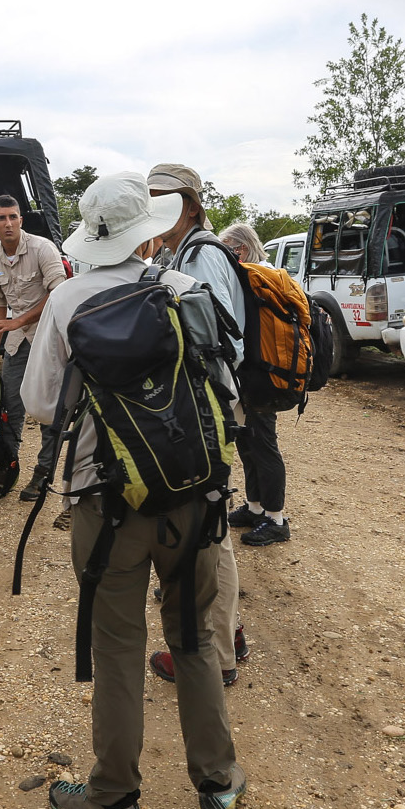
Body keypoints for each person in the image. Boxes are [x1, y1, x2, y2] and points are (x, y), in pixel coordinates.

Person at [22, 171, 245, 809]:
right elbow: (227, 397)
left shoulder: (67, 301)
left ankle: (114, 798)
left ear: (93, 234)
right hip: (191, 500)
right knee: (196, 640)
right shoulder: (186, 291)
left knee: (119, 648)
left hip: (106, 503)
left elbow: (38, 402)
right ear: (147, 232)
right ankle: (217, 786)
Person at [145, 166, 253, 687]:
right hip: (200, 404)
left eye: (162, 199)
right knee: (209, 526)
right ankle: (226, 634)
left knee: (210, 532)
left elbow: (223, 340)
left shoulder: (203, 254)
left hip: (206, 406)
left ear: (189, 205)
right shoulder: (180, 252)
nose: (153, 208)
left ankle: (218, 653)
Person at [0, 194, 68, 501]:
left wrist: (20, 320)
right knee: (8, 408)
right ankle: (8, 468)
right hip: (18, 344)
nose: (9, 223)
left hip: (50, 339)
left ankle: (43, 475)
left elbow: (58, 294)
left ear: (21, 220)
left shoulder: (42, 248)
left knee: (47, 408)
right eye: (1, 218)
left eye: (13, 217)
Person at [214, 221, 291, 549]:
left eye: (229, 249)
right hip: (250, 373)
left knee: (263, 442)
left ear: (241, 248)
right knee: (246, 441)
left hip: (262, 374)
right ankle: (255, 506)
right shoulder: (255, 275)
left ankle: (276, 519)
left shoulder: (259, 277)